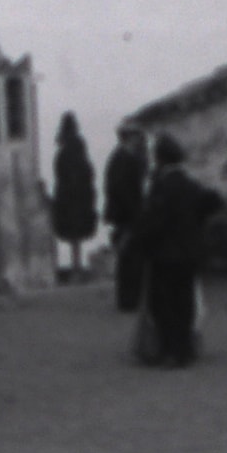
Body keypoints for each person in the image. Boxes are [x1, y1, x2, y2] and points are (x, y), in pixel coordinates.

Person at [132, 134, 224, 367]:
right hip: (189, 253)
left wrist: (139, 240)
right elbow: (214, 201)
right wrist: (197, 223)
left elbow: (153, 221)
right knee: (185, 303)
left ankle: (169, 351)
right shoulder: (190, 184)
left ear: (160, 159)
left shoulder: (161, 187)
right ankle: (185, 350)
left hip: (164, 255)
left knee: (163, 305)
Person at [103, 125, 152, 314]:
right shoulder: (124, 159)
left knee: (129, 257)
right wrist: (135, 213)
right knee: (130, 257)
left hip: (124, 214)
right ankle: (129, 299)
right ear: (129, 137)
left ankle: (129, 298)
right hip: (127, 215)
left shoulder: (121, 157)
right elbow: (124, 190)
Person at [51, 114, 99, 282]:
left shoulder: (64, 151)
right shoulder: (80, 150)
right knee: (76, 235)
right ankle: (76, 268)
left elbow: (61, 174)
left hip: (68, 197)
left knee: (73, 235)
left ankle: (75, 269)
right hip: (80, 197)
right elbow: (88, 173)